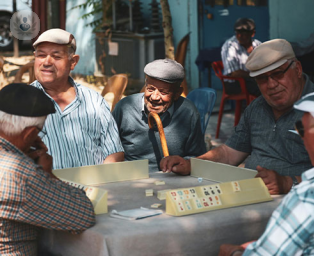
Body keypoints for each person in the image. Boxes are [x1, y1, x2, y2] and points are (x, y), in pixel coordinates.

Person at [160, 39, 314, 194]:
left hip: (301, 203)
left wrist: (288, 183)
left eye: (278, 74)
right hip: (250, 196)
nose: (271, 85)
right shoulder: (257, 107)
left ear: (298, 69)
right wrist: (191, 164)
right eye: (262, 79)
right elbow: (229, 153)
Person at [218, 90, 314, 256]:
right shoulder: (256, 107)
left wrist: (235, 254)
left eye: (301, 129)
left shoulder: (308, 197)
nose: (302, 138)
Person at [0, 83, 95, 255]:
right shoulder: (18, 172)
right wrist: (47, 175)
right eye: (38, 133)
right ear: (29, 134)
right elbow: (82, 215)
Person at [31, 28, 124, 169]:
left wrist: (101, 184)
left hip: (93, 186)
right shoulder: (21, 103)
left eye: (56, 57)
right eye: (41, 55)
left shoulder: (93, 100)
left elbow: (114, 152)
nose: (47, 62)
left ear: (73, 62)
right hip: (45, 187)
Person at [112, 59, 206, 172]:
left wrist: (180, 163)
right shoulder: (125, 107)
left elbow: (196, 157)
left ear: (177, 93)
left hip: (172, 178)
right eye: (150, 89)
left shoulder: (188, 112)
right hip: (130, 178)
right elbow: (108, 148)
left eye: (163, 92)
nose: (155, 97)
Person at [221, 18, 261, 96]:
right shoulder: (230, 46)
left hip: (251, 79)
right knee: (261, 88)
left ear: (252, 33)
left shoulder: (257, 45)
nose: (239, 36)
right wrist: (255, 76)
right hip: (234, 83)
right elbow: (234, 73)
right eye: (237, 32)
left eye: (243, 33)